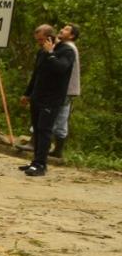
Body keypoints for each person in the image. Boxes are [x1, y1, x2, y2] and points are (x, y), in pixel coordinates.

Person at [19, 24, 75, 176]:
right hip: (37, 96)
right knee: (37, 129)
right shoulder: (41, 51)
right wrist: (27, 93)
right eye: (37, 40)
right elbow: (36, 74)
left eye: (41, 39)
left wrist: (50, 53)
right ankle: (35, 161)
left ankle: (41, 165)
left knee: (45, 130)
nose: (39, 42)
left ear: (50, 37)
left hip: (52, 98)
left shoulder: (67, 51)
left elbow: (61, 69)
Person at [51, 23, 80, 158]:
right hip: (68, 89)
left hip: (64, 88)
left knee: (49, 113)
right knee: (62, 117)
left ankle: (36, 142)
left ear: (72, 35)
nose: (62, 30)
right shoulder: (69, 47)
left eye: (67, 29)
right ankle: (58, 150)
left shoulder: (68, 49)